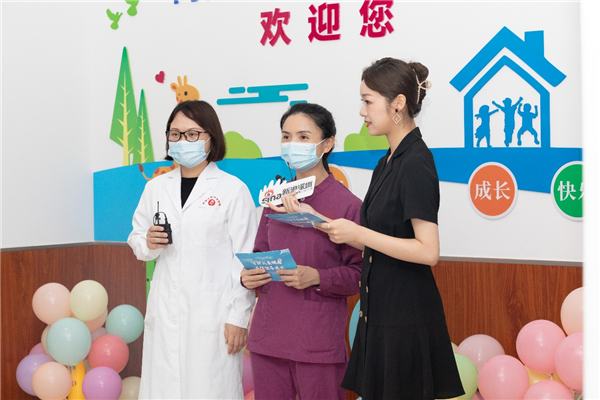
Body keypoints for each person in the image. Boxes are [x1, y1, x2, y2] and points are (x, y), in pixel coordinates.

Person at [311, 58, 465, 399]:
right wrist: (315, 218)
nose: (362, 112)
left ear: (398, 104)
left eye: (368, 101)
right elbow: (383, 237)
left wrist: (359, 234)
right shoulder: (388, 161)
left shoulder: (416, 162)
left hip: (405, 318)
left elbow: (428, 251)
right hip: (380, 313)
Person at [127, 100, 257, 399]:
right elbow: (137, 239)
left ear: (211, 137)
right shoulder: (156, 188)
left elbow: (245, 259)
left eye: (192, 134)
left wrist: (238, 317)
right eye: (175, 134)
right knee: (164, 388)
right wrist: (147, 242)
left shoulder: (232, 189)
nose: (182, 141)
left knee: (210, 389)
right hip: (165, 310)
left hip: (213, 315)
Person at [241, 103, 363, 400]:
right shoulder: (274, 198)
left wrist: (317, 277)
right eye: (286, 136)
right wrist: (248, 276)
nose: (292, 144)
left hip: (316, 341)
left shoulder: (347, 205)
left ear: (328, 144)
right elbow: (260, 253)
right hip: (268, 337)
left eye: (303, 137)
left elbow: (361, 274)